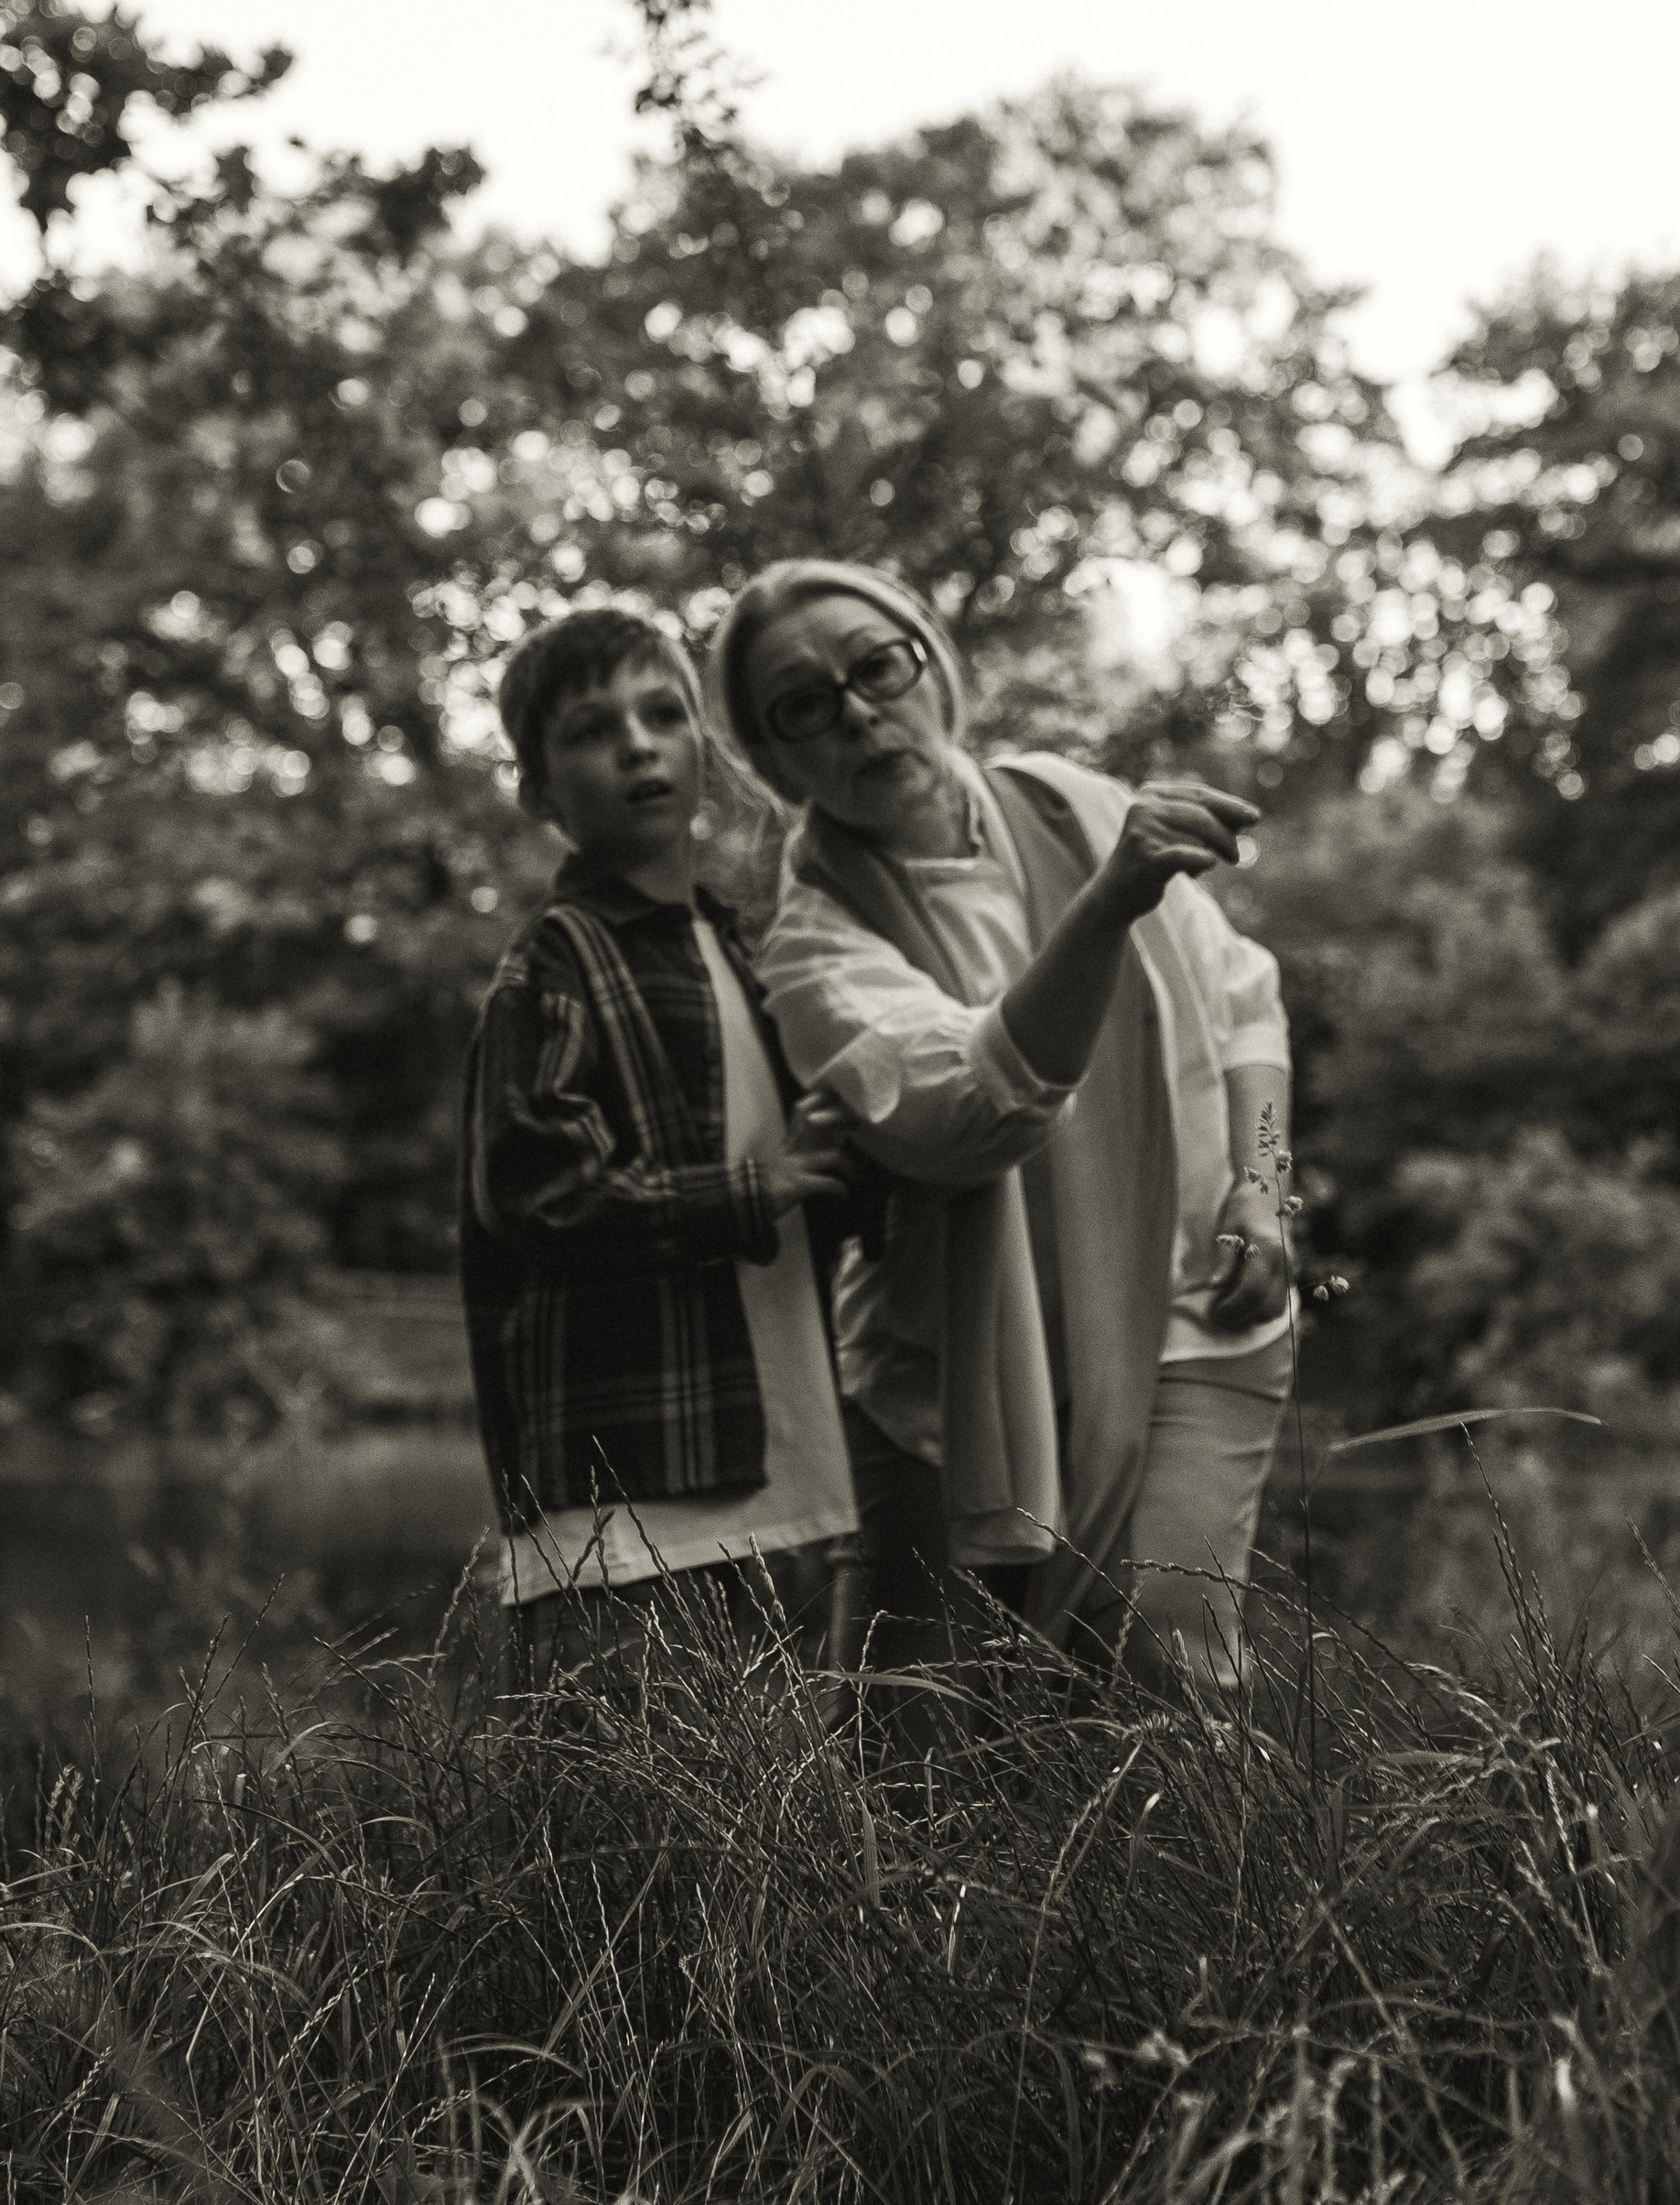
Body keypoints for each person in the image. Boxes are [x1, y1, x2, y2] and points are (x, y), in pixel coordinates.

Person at [709, 557, 1295, 1698]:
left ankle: (1203, 1885)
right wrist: (1106, 904)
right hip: (954, 1378)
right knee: (917, 1721)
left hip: (1196, 1308)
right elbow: (979, 1110)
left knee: (1166, 1675)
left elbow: (1243, 999)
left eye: (876, 665)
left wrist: (1266, 1185)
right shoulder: (812, 946)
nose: (860, 712)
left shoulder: (1066, 799)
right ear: (773, 761)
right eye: (805, 705)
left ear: (933, 660)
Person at [459, 604, 862, 1688]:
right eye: (594, 730)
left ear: (706, 751)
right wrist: (749, 1188)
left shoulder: (744, 944)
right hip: (628, 1504)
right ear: (541, 793)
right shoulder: (556, 957)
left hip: (790, 1475)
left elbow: (797, 1175)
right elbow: (539, 1185)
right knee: (631, 1843)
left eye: (663, 714)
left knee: (787, 1837)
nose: (638, 743)